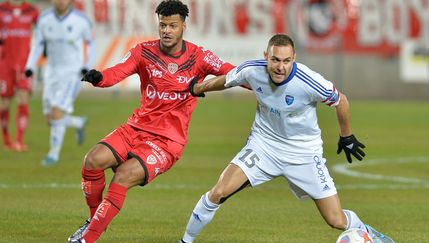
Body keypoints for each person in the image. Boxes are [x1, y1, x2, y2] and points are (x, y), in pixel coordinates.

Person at [179, 34, 394, 243]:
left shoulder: (308, 81)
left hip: (304, 154)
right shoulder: (252, 70)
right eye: (275, 60)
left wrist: (346, 136)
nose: (280, 67)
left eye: (286, 61)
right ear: (266, 57)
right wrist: (197, 88)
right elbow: (228, 80)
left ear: (294, 59)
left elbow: (341, 100)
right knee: (217, 193)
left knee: (335, 219)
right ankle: (185, 241)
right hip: (264, 146)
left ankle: (367, 233)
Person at [67, 1, 235, 242]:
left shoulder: (199, 57)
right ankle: (95, 222)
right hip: (135, 128)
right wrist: (99, 78)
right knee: (92, 160)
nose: (166, 30)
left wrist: (262, 80)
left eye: (172, 26)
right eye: (163, 25)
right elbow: (117, 72)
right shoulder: (143, 51)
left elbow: (233, 73)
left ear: (183, 26)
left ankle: (87, 239)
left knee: (123, 175)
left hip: (167, 141)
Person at [25, 0, 94, 166]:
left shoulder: (81, 20)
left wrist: (87, 66)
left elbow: (91, 43)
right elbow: (38, 44)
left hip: (72, 73)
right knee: (50, 118)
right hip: (51, 73)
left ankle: (53, 155)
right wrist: (30, 65)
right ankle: (78, 122)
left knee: (57, 112)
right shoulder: (44, 19)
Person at [0, 0, 38, 151]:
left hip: (24, 64)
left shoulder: (31, 11)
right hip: (5, 64)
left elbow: (43, 30)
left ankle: (20, 140)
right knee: (4, 104)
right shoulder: (2, 9)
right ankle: (6, 138)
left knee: (23, 99)